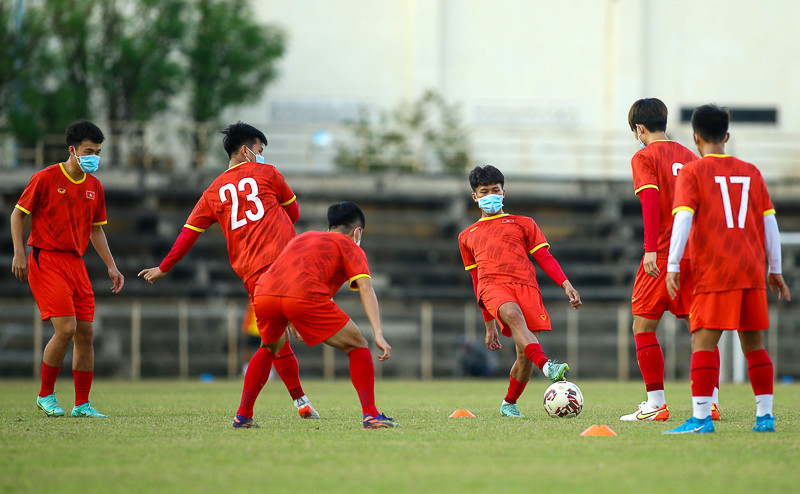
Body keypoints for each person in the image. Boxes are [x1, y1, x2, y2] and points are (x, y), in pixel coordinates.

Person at [138, 122, 317, 427]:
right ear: (247, 150)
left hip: (252, 275)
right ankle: (363, 405)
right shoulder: (268, 173)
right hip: (284, 265)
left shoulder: (211, 193)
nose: (262, 156)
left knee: (274, 342)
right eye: (259, 150)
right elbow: (295, 213)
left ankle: (298, 404)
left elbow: (187, 234)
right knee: (315, 332)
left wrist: (164, 267)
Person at [664, 104, 790, 434]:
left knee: (703, 344)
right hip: (751, 270)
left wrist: (673, 264)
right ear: (727, 136)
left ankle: (702, 419)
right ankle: (765, 417)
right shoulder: (751, 171)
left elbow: (684, 219)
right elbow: (770, 222)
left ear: (695, 138)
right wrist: (774, 267)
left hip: (715, 270)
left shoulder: (693, 172)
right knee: (755, 346)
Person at [248, 201, 398, 429]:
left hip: (264, 292)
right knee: (358, 344)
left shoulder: (303, 237)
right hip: (300, 296)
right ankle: (371, 415)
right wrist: (378, 332)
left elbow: (285, 274)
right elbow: (366, 288)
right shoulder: (350, 245)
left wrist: (290, 317)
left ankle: (242, 416)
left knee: (268, 348)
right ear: (357, 232)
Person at [11, 120, 125, 418]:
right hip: (46, 259)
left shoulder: (94, 187)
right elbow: (17, 215)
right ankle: (45, 394)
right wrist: (20, 252)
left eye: (98, 152)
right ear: (72, 150)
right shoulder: (46, 177)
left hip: (76, 263)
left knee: (85, 334)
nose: (94, 157)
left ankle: (82, 404)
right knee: (67, 329)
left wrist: (111, 266)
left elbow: (96, 230)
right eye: (89, 151)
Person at [621, 98, 723, 422]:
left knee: (643, 325)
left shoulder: (644, 156)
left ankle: (656, 403)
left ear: (639, 128)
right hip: (698, 254)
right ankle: (711, 403)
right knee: (701, 330)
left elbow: (650, 200)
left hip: (664, 252)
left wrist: (650, 248)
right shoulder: (692, 156)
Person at [458, 165, 582, 418]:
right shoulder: (466, 236)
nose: (490, 195)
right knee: (513, 314)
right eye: (484, 192)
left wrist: (566, 283)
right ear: (475, 196)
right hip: (492, 287)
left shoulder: (524, 223)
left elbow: (544, 257)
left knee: (524, 357)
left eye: (495, 190)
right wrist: (488, 325)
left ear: (504, 193)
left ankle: (509, 403)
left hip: (526, 287)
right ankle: (548, 367)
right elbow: (475, 279)